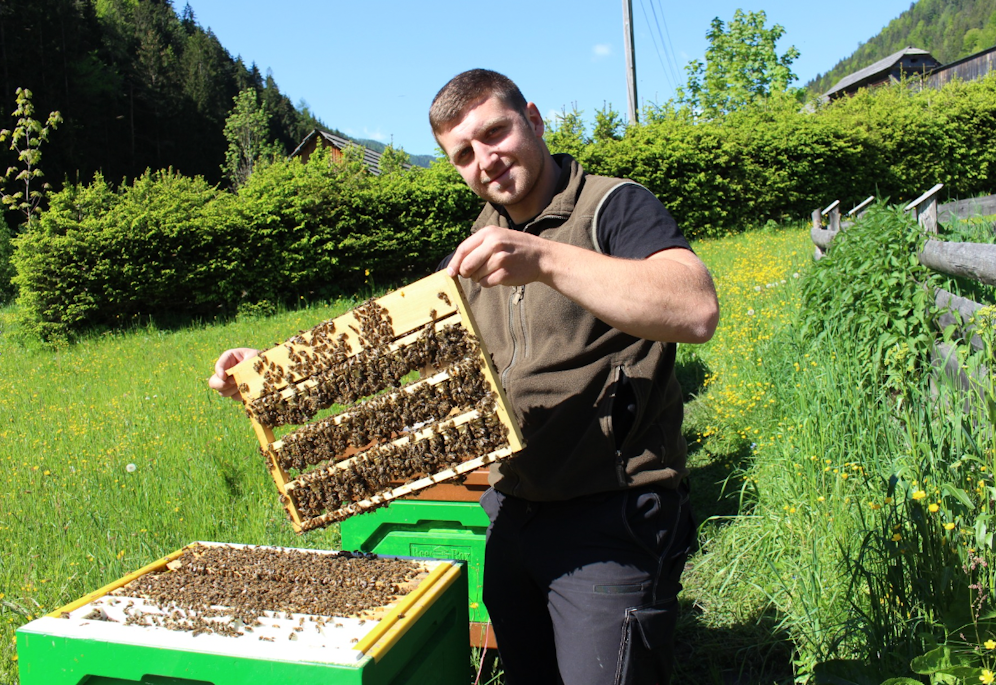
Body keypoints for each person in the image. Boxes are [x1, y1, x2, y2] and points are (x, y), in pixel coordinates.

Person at [210, 69, 718, 685]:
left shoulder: (613, 205)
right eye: (464, 154)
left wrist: (544, 260)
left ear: (532, 118)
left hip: (611, 511)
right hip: (511, 513)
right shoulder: (471, 250)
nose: (487, 160)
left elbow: (694, 308)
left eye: (495, 132)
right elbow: (403, 371)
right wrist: (270, 376)